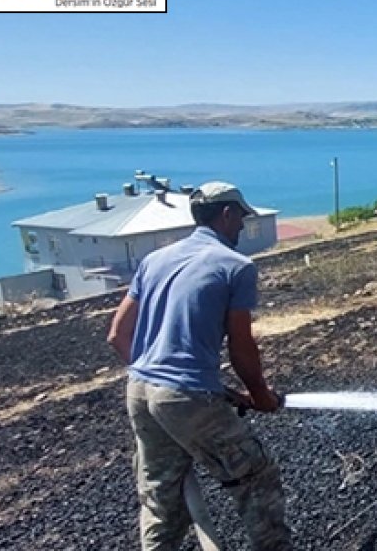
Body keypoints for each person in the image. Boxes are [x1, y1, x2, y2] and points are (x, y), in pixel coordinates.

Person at [107, 181, 292, 550]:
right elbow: (241, 346)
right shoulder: (236, 266)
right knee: (256, 479)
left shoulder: (155, 260)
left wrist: (170, 381)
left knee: (162, 499)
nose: (242, 225)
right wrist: (261, 395)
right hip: (183, 397)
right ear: (227, 214)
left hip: (140, 391)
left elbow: (117, 335)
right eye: (241, 216)